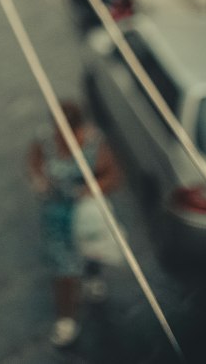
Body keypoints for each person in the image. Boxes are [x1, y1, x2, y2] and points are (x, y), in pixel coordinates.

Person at [27, 97, 122, 349]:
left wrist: (89, 190)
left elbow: (112, 176)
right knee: (64, 271)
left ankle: (92, 276)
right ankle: (67, 319)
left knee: (92, 251)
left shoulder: (93, 143)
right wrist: (38, 179)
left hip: (86, 212)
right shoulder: (46, 140)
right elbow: (34, 160)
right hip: (56, 216)